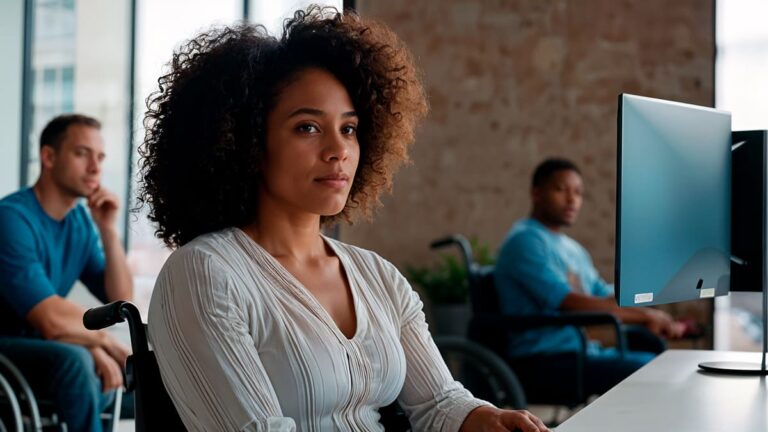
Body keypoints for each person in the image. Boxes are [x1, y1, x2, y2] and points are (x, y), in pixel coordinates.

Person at [139, 6, 549, 432]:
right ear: (248, 144)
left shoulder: (378, 277)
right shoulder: (207, 273)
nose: (339, 150)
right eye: (307, 128)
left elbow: (437, 403)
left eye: (349, 129)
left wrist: (487, 417)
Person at [494, 157, 685, 401]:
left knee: (659, 357)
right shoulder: (525, 241)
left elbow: (602, 294)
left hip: (583, 354)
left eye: (578, 192)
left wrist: (648, 292)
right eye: (561, 189)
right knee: (653, 370)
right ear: (537, 193)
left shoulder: (573, 249)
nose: (572, 200)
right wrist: (645, 315)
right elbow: (569, 302)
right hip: (545, 361)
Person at [0, 114, 133, 431]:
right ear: (48, 157)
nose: (95, 167)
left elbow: (121, 301)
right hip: (7, 347)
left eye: (100, 157)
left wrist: (108, 231)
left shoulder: (81, 225)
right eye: (82, 153)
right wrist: (99, 343)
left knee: (153, 378)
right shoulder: (11, 220)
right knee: (77, 363)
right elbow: (49, 319)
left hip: (53, 344)